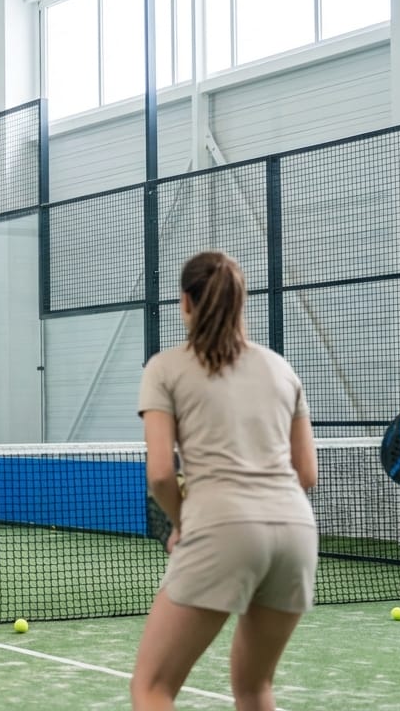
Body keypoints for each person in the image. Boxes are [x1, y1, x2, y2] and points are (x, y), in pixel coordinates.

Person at [131, 251, 317, 711]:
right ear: (241, 303)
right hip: (295, 533)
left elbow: (159, 475)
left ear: (185, 303)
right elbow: (306, 474)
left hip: (222, 528)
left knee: (152, 688)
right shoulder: (282, 368)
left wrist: (183, 523)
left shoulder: (165, 368)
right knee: (254, 689)